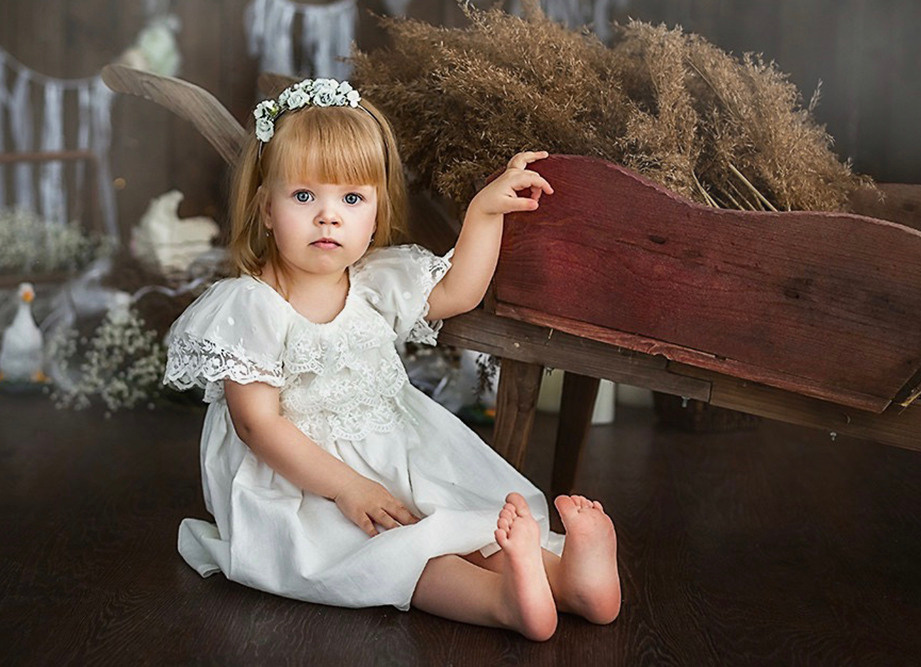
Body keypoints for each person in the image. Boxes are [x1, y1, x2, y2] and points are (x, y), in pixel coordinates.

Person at [163, 77, 620, 641]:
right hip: (303, 481)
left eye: (351, 199)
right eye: (304, 196)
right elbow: (257, 426)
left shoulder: (375, 281)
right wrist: (347, 488)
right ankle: (503, 601)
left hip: (396, 451)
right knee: (398, 555)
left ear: (375, 216)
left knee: (454, 525)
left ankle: (570, 582)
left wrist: (483, 213)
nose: (328, 217)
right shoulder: (249, 305)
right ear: (265, 209)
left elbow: (458, 292)